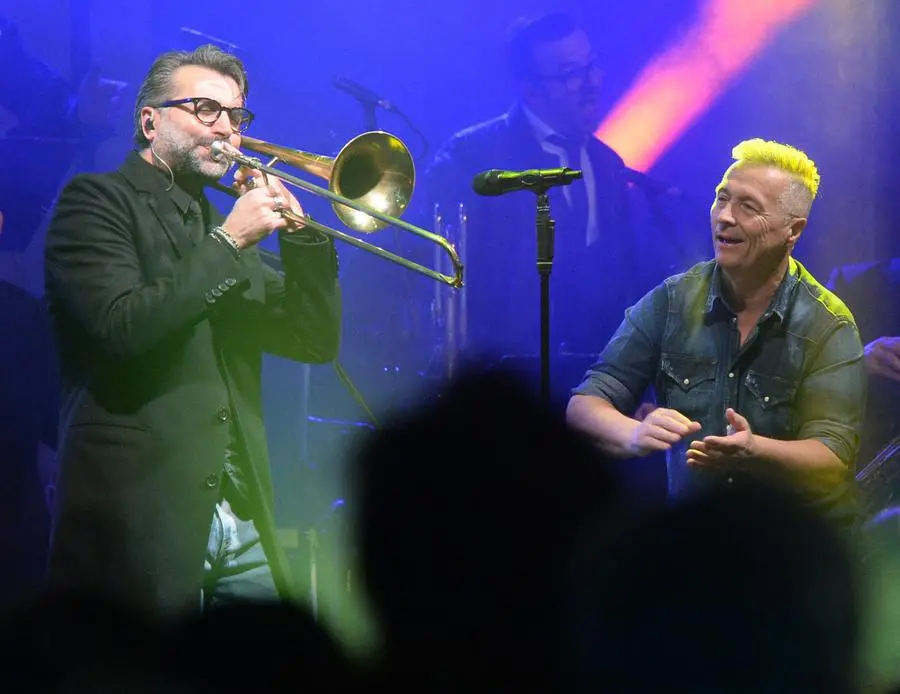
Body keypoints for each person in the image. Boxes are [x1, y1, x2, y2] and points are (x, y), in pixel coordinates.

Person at [43, 44, 342, 617]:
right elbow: (121, 328)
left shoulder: (219, 224)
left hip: (241, 514)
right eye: (206, 109)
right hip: (138, 513)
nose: (227, 130)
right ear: (150, 120)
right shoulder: (97, 202)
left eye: (236, 115)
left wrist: (303, 240)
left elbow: (312, 341)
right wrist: (229, 241)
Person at [566, 138, 867, 527]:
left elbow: (833, 459)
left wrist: (754, 449)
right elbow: (585, 405)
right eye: (722, 199)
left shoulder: (829, 323)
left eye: (748, 207)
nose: (725, 217)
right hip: (700, 544)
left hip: (795, 553)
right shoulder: (672, 301)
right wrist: (635, 433)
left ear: (793, 230)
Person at [417, 11, 704, 389]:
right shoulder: (470, 157)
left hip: (587, 377)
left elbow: (617, 277)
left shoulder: (607, 163)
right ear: (529, 89)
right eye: (572, 73)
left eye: (592, 66)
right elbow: (440, 272)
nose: (592, 83)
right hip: (499, 381)